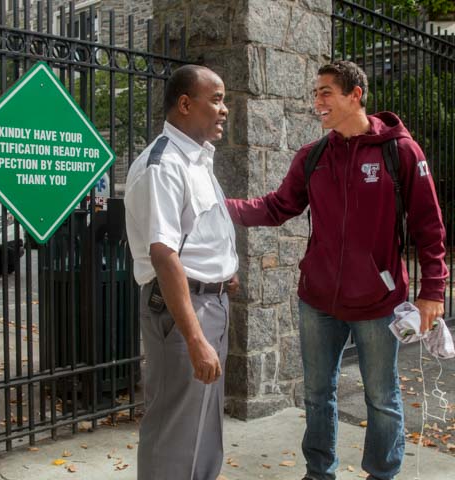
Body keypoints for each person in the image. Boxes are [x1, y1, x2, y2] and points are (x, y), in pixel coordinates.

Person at [225, 60, 448, 480]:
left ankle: (381, 473)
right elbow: (276, 206)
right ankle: (318, 472)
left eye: (325, 92)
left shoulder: (399, 151)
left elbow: (428, 225)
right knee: (316, 395)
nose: (317, 101)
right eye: (315, 93)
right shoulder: (313, 157)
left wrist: (433, 289)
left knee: (382, 398)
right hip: (318, 300)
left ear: (355, 94)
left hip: (379, 303)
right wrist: (221, 208)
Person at [124, 64, 238, 480]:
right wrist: (194, 339)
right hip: (182, 309)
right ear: (186, 103)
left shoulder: (197, 158)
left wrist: (226, 274)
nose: (224, 109)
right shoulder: (163, 165)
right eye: (217, 98)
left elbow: (200, 230)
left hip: (212, 301)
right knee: (174, 431)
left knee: (204, 428)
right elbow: (164, 255)